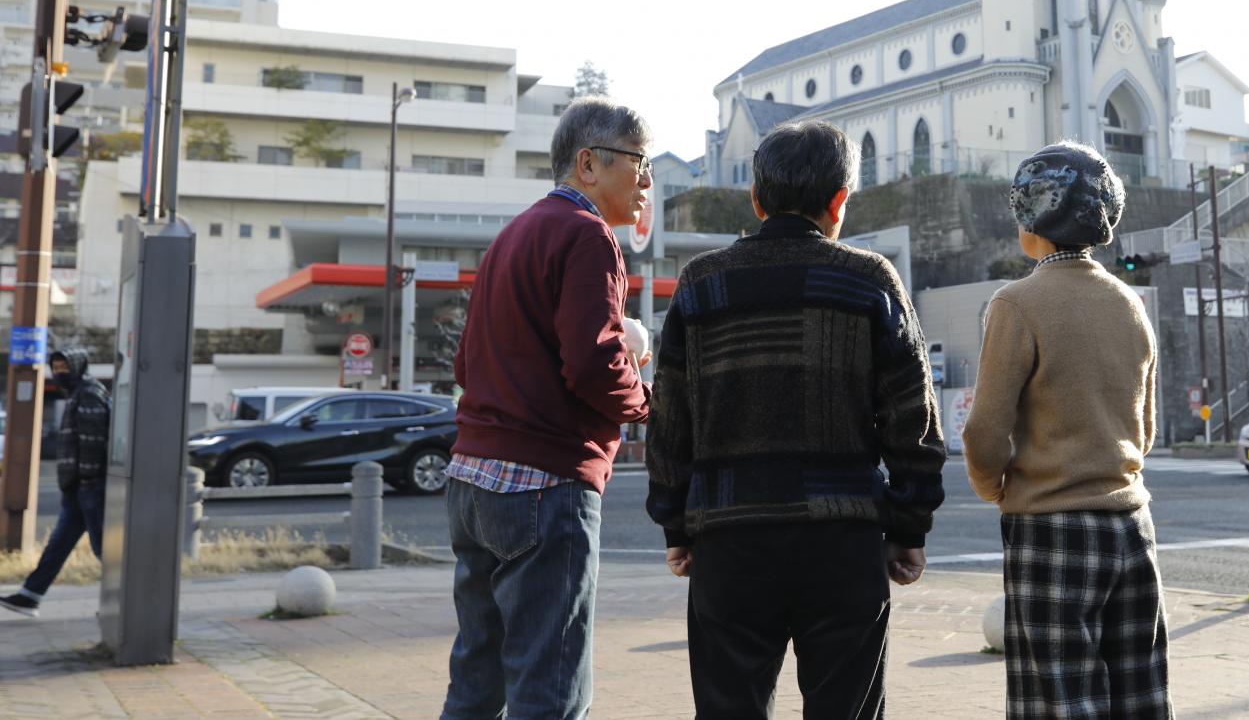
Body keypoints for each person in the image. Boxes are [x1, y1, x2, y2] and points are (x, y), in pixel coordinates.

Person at [646, 120, 947, 719]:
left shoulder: (702, 283)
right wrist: (908, 526)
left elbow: (670, 419)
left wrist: (677, 524)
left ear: (756, 200)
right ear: (840, 201)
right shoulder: (869, 280)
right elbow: (912, 418)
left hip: (728, 540)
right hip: (842, 541)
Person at [439, 97, 654, 720]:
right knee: (550, 690)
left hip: (472, 479)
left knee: (476, 682)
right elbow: (592, 365)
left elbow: (465, 365)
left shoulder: (513, 235)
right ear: (588, 164)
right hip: (543, 485)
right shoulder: (588, 237)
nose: (646, 182)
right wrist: (645, 402)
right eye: (639, 162)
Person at [962, 141, 1173, 719]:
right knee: (1140, 696)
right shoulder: (1131, 304)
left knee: (1058, 699)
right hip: (1132, 525)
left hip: (1050, 528)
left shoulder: (1017, 303)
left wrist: (996, 488)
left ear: (1034, 219)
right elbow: (1145, 431)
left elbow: (985, 433)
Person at [1, 350, 111, 618]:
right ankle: (30, 596)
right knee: (59, 543)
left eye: (64, 367)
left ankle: (127, 602)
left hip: (88, 487)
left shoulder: (88, 393)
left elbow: (93, 442)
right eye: (56, 367)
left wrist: (86, 479)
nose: (59, 371)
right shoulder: (77, 393)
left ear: (78, 367)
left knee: (105, 549)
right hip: (78, 488)